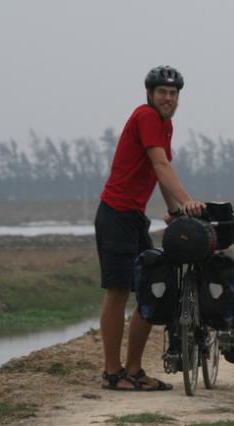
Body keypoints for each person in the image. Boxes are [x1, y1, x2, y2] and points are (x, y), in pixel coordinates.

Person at [95, 65, 206, 391]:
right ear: (150, 94)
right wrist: (187, 202)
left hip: (134, 217)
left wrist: (174, 210)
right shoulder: (145, 116)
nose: (168, 98)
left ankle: (134, 370)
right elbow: (161, 164)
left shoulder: (164, 124)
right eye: (162, 92)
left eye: (173, 94)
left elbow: (160, 172)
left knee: (150, 288)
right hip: (115, 214)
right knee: (117, 292)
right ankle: (112, 374)